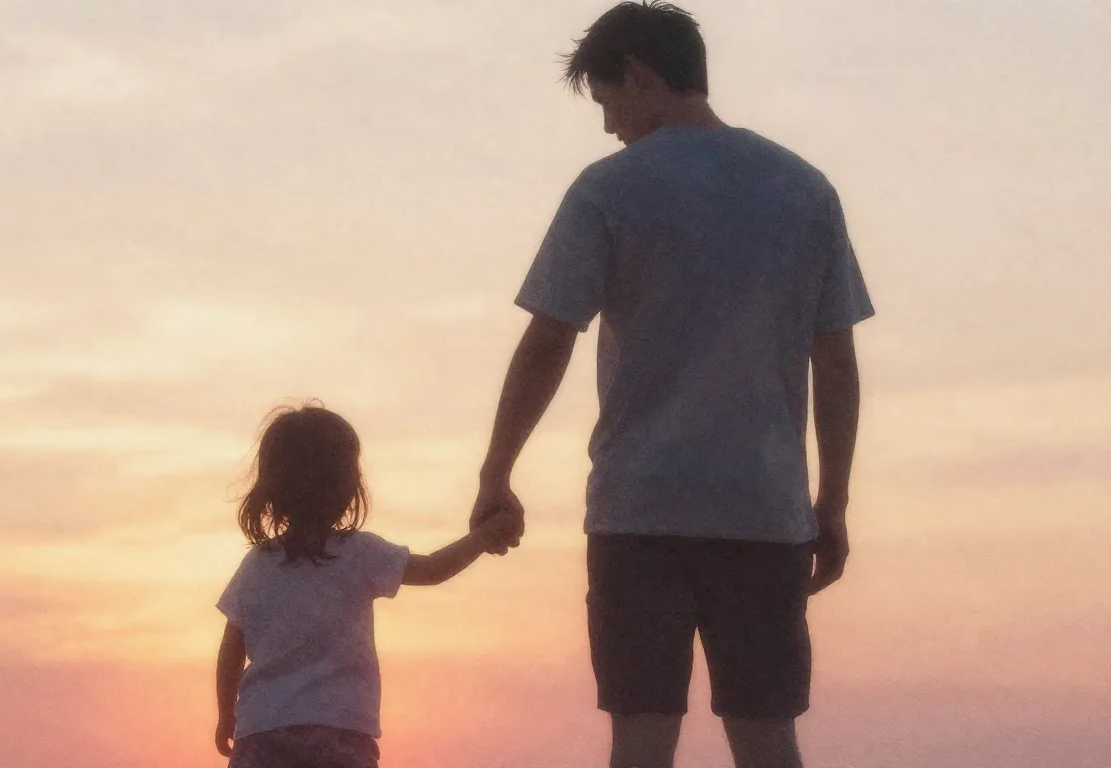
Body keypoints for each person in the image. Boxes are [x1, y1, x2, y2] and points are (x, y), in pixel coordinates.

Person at [469, 3, 875, 767]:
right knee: (768, 739)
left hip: (640, 513)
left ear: (638, 76)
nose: (608, 127)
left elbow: (548, 339)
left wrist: (497, 472)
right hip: (764, 513)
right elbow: (836, 363)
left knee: (641, 739)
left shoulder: (608, 190)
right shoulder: (805, 191)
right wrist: (831, 502)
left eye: (607, 103)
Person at [215, 403, 516, 768]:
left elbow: (232, 648)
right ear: (344, 484)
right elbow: (433, 569)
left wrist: (227, 713)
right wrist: (482, 537)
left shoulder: (257, 565)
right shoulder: (359, 553)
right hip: (340, 732)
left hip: (262, 732)